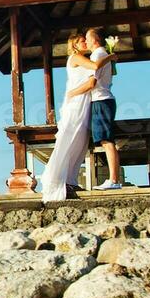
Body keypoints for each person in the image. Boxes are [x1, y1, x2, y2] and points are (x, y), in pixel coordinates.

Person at [41, 34, 100, 203]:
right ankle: (59, 178)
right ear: (75, 45)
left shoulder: (83, 59)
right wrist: (109, 55)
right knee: (70, 138)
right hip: (76, 102)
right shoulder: (76, 57)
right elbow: (95, 68)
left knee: (80, 143)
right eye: (82, 41)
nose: (85, 43)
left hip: (84, 102)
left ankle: (70, 179)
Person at [86, 27, 123, 190]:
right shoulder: (104, 55)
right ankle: (113, 179)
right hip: (104, 99)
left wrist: (74, 92)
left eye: (87, 38)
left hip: (101, 99)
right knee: (105, 139)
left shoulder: (98, 55)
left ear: (95, 40)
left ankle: (114, 179)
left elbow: (92, 81)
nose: (85, 41)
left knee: (107, 140)